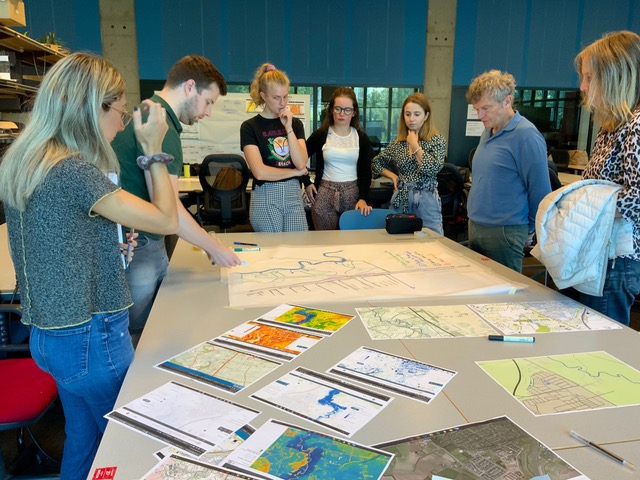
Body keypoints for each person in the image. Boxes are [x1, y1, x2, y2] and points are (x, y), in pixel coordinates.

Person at [0, 53, 178, 480]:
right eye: (117, 113)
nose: (120, 125)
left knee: (84, 434)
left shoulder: (25, 163)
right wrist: (153, 149)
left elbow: (53, 242)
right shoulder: (75, 171)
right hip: (91, 339)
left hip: (51, 335)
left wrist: (103, 249)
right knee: (131, 445)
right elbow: (168, 220)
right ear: (91, 107)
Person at [112, 55, 242, 338]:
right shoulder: (162, 126)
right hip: (140, 243)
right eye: (208, 101)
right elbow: (169, 211)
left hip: (141, 239)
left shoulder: (149, 112)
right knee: (140, 333)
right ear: (190, 87)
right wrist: (215, 248)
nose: (208, 112)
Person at [574, 30, 640, 325]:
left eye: (589, 77)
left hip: (615, 261)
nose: (583, 87)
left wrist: (588, 202)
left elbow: (637, 197)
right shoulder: (612, 126)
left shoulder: (636, 126)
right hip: (597, 255)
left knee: (599, 346)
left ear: (615, 76)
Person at [465, 70, 551, 272]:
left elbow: (540, 189)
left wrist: (528, 229)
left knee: (503, 298)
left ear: (507, 101)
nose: (480, 116)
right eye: (477, 109)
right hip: (477, 225)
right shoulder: (488, 131)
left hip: (505, 231)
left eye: (486, 108)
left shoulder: (526, 135)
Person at [240, 63, 309, 232]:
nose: (283, 103)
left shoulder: (295, 124)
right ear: (263, 95)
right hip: (266, 195)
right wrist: (294, 173)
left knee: (298, 247)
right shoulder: (250, 127)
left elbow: (301, 162)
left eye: (286, 97)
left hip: (293, 193)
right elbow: (260, 172)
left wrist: (288, 128)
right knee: (272, 251)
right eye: (276, 98)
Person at [371, 92, 446, 234]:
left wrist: (415, 146)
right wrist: (392, 176)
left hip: (427, 199)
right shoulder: (398, 143)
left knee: (433, 241)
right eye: (408, 114)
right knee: (398, 241)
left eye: (417, 114)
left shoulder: (436, 140)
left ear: (426, 116)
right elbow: (376, 163)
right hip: (401, 198)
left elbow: (432, 169)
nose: (411, 119)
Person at [304, 87, 374, 229]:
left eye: (347, 110)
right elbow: (298, 159)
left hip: (352, 193)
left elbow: (366, 172)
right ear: (331, 110)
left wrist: (363, 199)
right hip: (324, 192)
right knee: (325, 242)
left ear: (354, 112)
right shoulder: (321, 135)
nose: (342, 114)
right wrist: (306, 182)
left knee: (350, 244)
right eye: (338, 109)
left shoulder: (361, 138)